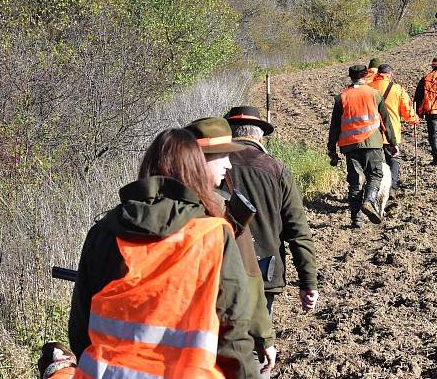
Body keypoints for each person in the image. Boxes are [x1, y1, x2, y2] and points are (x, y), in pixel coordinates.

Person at [68, 128, 260, 378]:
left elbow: (80, 329)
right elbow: (233, 333)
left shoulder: (104, 232)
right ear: (196, 172)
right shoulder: (212, 235)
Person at [186, 117, 277, 378]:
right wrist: (264, 338)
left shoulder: (140, 214)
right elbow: (247, 279)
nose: (228, 164)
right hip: (217, 345)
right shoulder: (221, 214)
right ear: (196, 160)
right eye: (221, 156)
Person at [223, 106, 319, 318]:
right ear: (260, 138)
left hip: (221, 270)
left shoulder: (213, 165)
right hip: (264, 270)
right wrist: (308, 281)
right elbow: (297, 230)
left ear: (230, 133)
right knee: (260, 337)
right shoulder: (277, 169)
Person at [327, 64, 396, 228]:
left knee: (355, 182)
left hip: (350, 146)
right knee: (375, 174)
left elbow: (334, 127)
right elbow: (386, 121)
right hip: (372, 143)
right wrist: (392, 143)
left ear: (351, 77)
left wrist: (331, 150)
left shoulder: (341, 98)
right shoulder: (375, 94)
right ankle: (369, 200)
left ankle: (356, 219)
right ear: (365, 76)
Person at [367, 64, 419, 200]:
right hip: (391, 134)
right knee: (394, 160)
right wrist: (414, 119)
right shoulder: (397, 89)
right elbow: (407, 111)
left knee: (374, 164)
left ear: (378, 74)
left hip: (372, 134)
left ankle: (373, 191)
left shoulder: (368, 88)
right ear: (390, 75)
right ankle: (392, 188)